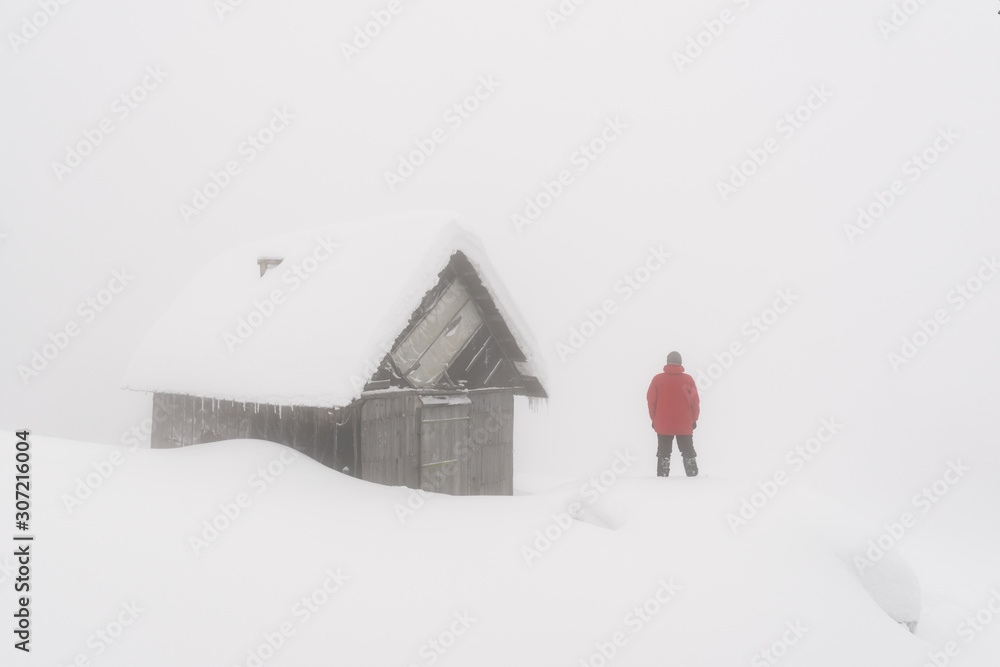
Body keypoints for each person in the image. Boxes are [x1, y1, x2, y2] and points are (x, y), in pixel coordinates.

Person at [647, 351, 700, 477]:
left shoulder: (657, 379)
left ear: (667, 362)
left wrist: (654, 419)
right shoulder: (688, 379)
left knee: (663, 453)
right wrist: (694, 420)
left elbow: (651, 401)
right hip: (684, 423)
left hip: (663, 423)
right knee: (688, 452)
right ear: (680, 362)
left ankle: (662, 477)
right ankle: (693, 478)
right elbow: (695, 402)